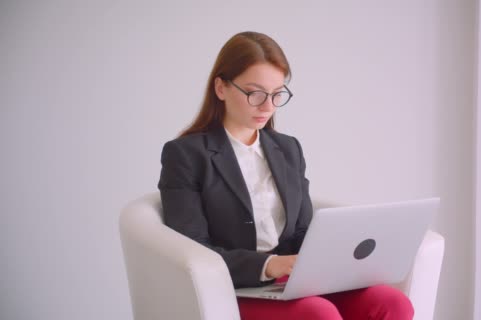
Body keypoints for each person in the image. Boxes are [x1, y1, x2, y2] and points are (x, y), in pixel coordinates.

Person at [157, 31, 414, 320]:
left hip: (293, 283)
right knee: (318, 313)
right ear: (221, 88)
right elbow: (193, 250)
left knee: (393, 303)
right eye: (255, 93)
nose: (268, 106)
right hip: (235, 288)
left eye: (277, 94)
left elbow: (303, 231)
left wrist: (338, 261)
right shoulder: (186, 155)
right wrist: (270, 265)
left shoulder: (288, 149)